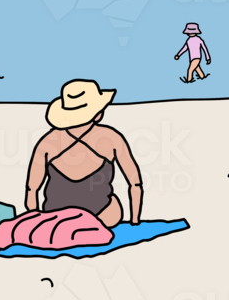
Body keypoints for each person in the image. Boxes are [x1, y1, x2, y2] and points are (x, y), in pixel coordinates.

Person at [25, 79, 143, 227]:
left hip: (56, 217)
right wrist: (135, 221)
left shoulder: (47, 141)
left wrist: (36, 222)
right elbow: (134, 182)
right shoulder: (111, 137)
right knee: (113, 206)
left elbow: (32, 188)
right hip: (102, 216)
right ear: (98, 114)